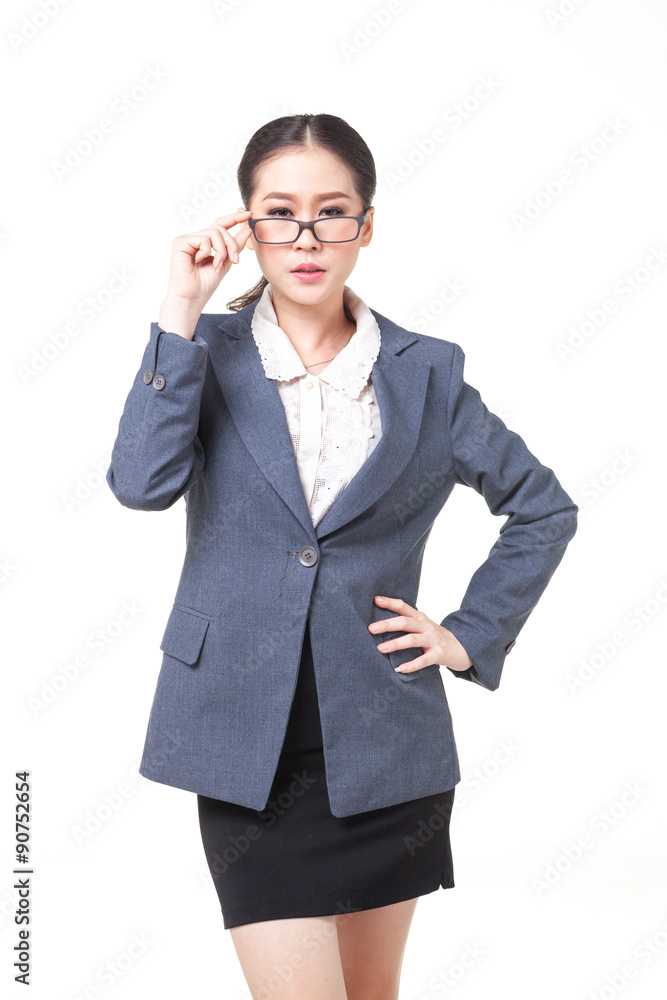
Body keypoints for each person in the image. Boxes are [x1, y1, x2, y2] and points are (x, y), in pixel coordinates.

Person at [105, 113, 578, 1000]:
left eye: (332, 211)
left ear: (366, 225)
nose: (307, 236)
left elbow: (542, 508)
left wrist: (468, 634)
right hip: (242, 742)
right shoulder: (202, 353)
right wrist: (179, 309)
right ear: (245, 226)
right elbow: (140, 484)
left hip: (385, 745)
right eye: (279, 212)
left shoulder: (426, 373)